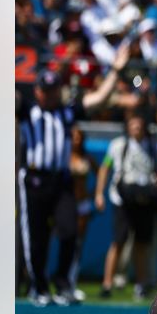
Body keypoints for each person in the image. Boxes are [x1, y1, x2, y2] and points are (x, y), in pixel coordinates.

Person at [18, 50, 126, 307]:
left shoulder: (66, 112)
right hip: (34, 180)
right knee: (36, 238)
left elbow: (98, 99)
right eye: (47, 90)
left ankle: (63, 283)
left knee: (69, 230)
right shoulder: (27, 111)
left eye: (55, 90)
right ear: (37, 91)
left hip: (61, 179)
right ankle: (39, 287)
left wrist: (116, 71)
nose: (51, 94)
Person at [95, 112, 157, 301]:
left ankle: (141, 283)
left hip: (145, 200)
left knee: (142, 243)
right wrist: (99, 193)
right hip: (123, 200)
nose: (136, 128)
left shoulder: (153, 147)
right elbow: (105, 167)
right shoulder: (118, 145)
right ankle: (107, 283)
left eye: (139, 124)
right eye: (133, 124)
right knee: (118, 241)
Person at [66, 125, 94, 296]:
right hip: (66, 203)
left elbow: (102, 171)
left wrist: (95, 193)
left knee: (78, 242)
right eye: (73, 136)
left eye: (79, 137)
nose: (76, 140)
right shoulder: (64, 156)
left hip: (82, 203)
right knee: (65, 238)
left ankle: (72, 280)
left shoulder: (87, 158)